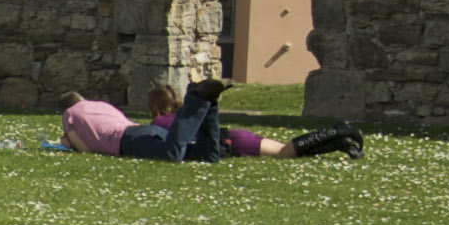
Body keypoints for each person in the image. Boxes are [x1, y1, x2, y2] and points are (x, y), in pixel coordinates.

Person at [59, 83, 363, 160]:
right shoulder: (101, 106)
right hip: (228, 135)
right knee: (207, 156)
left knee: (286, 152)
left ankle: (337, 133)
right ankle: (339, 137)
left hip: (231, 141)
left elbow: (85, 149)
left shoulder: (70, 115)